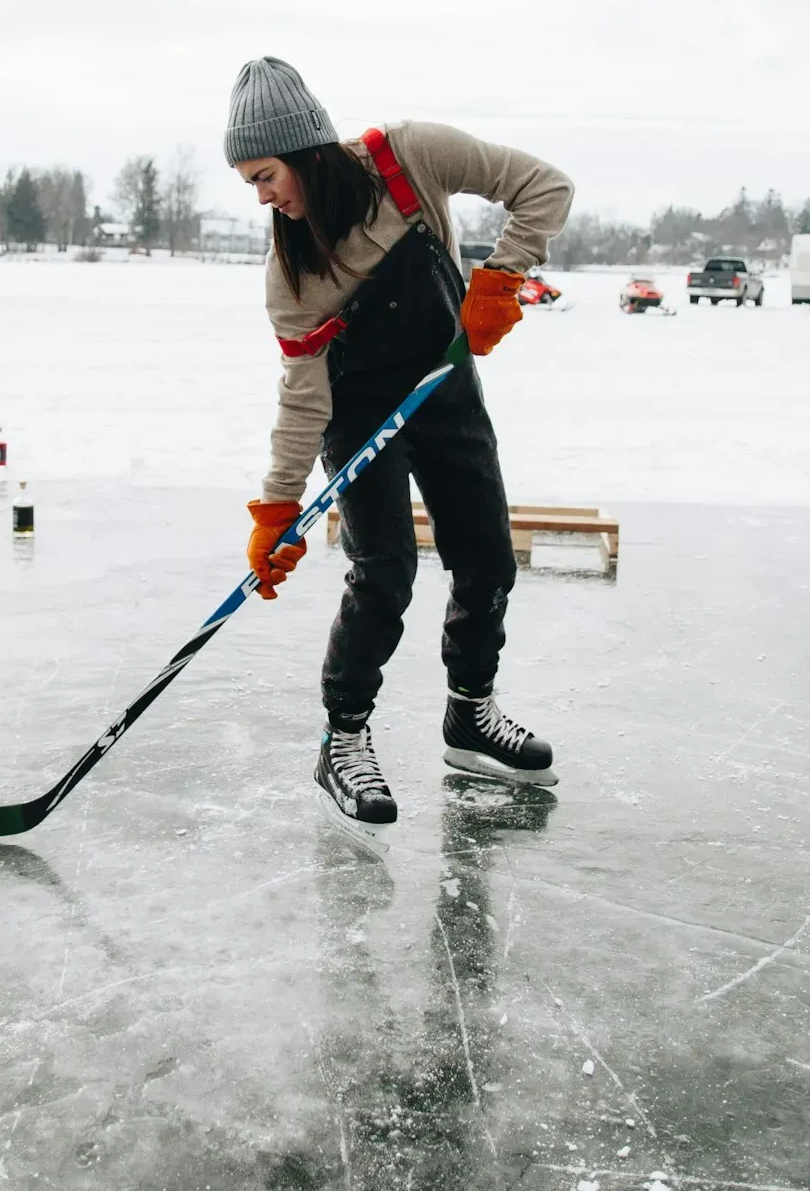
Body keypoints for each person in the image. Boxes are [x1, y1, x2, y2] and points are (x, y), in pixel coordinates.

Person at [226, 56, 574, 848]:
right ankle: (342, 738)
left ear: (307, 150)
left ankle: (470, 715)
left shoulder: (408, 155)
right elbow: (303, 395)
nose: (261, 196)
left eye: (266, 174)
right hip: (358, 410)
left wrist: (501, 280)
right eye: (249, 182)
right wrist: (279, 505)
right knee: (385, 570)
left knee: (487, 560)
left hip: (444, 387)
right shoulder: (291, 272)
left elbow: (545, 187)